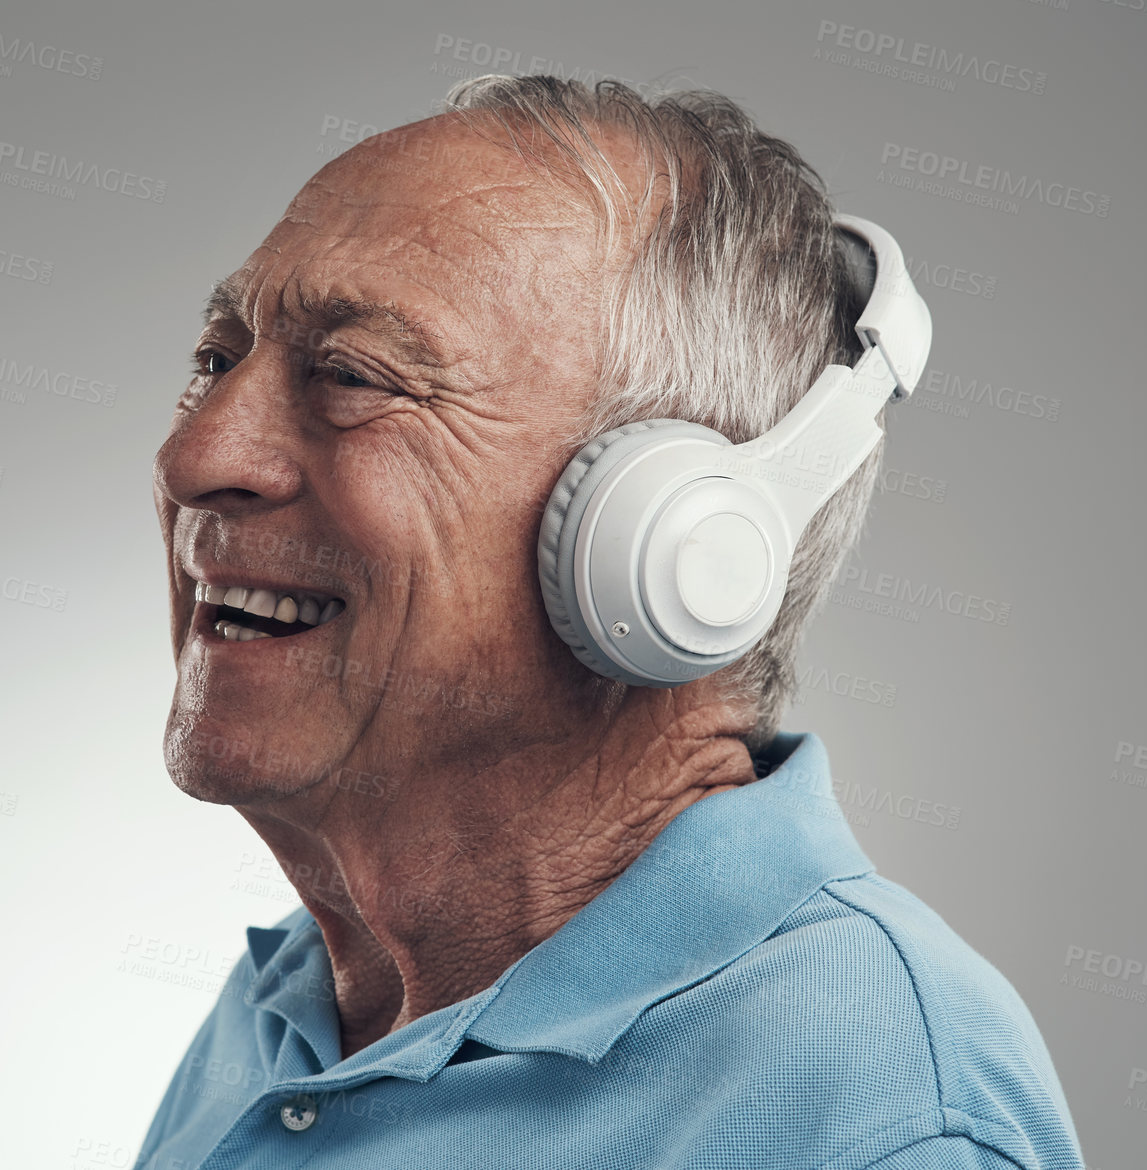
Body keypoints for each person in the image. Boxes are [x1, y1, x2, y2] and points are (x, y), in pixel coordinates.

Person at [140, 74, 1084, 1168]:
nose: (197, 456)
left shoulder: (873, 1109)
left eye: (353, 376)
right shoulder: (293, 1004)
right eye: (215, 358)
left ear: (667, 545)